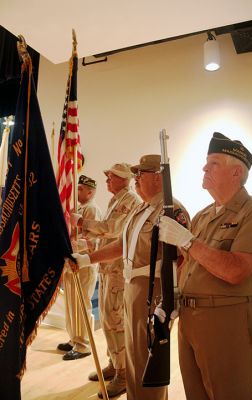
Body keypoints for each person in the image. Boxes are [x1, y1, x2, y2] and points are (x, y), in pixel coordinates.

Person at [71, 154, 190, 400]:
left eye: (140, 174)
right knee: (134, 354)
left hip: (153, 289)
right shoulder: (142, 208)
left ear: (158, 177)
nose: (135, 179)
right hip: (132, 285)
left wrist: (172, 299)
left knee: (148, 357)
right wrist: (87, 259)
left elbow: (184, 259)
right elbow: (123, 244)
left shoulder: (172, 210)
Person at [159, 132, 252, 400]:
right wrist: (172, 297)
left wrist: (187, 239)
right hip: (190, 320)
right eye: (206, 162)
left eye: (214, 163)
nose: (204, 168)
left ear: (236, 172)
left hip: (228, 321)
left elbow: (236, 270)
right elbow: (190, 265)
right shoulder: (204, 214)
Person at [72, 162, 140, 398]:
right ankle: (114, 363)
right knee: (108, 320)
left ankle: (123, 374)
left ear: (124, 179)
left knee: (115, 320)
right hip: (107, 268)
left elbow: (112, 229)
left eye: (111, 176)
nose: (107, 180)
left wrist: (82, 223)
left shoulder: (130, 200)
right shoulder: (116, 200)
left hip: (118, 270)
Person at [57, 175, 102, 360]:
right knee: (70, 303)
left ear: (90, 192)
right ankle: (74, 338)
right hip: (72, 263)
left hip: (84, 264)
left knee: (81, 303)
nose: (77, 191)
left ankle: (83, 344)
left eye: (81, 188)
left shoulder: (91, 210)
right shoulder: (78, 209)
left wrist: (77, 244)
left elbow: (94, 241)